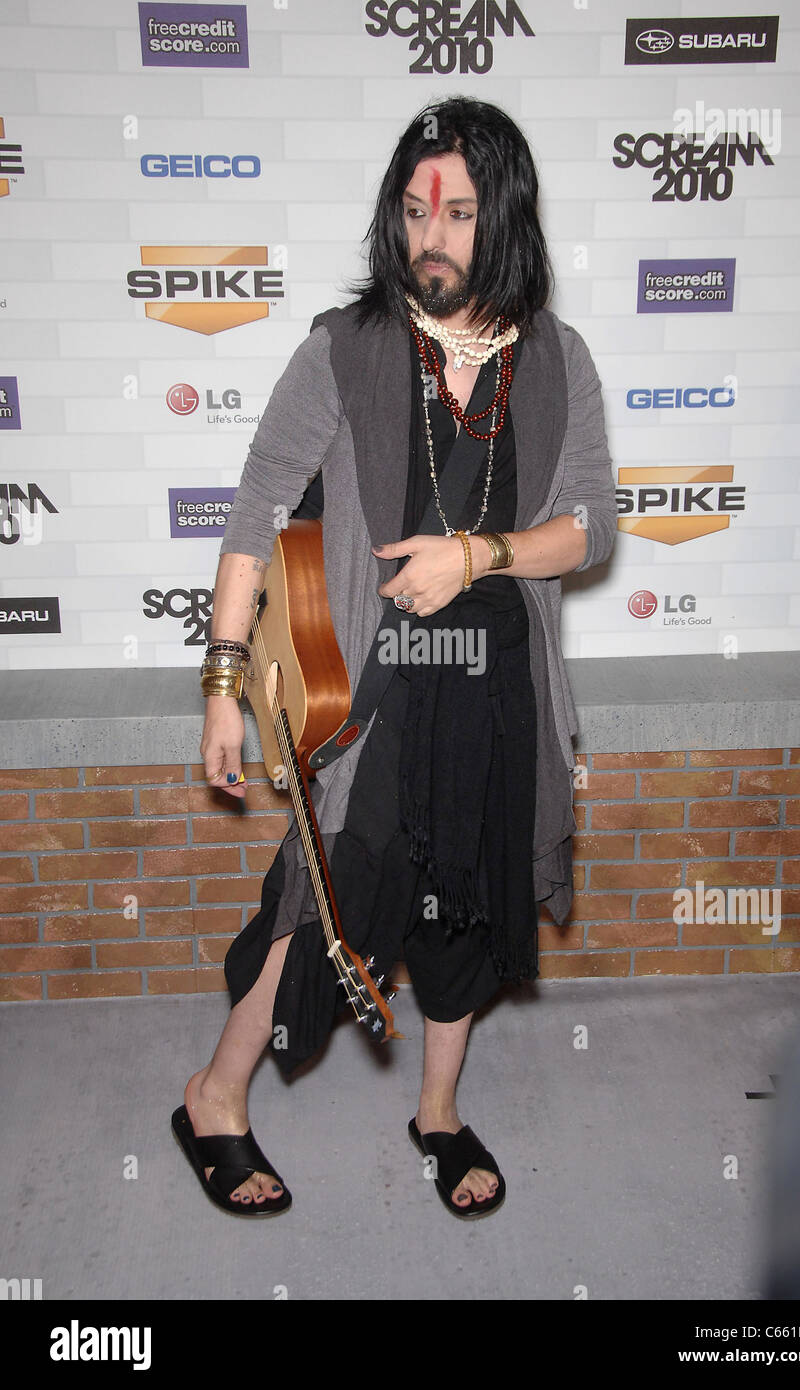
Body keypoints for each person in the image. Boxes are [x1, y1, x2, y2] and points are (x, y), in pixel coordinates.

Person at [172, 96, 616, 1221]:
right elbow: (252, 512)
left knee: (467, 909)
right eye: (415, 210)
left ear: (502, 219)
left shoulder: (558, 362)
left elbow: (588, 528)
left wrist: (478, 553)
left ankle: (436, 1110)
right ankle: (213, 1097)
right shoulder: (346, 349)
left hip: (499, 696)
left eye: (459, 213)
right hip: (375, 701)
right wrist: (222, 686)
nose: (431, 235)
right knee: (318, 908)